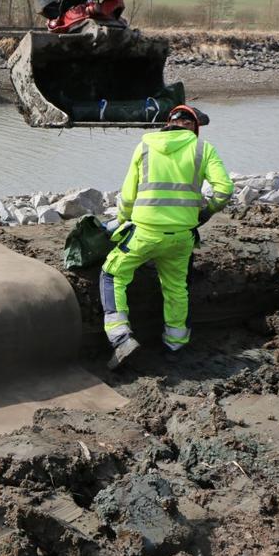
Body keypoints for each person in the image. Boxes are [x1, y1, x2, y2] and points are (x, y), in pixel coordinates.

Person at [100, 105, 233, 370]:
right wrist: (204, 214)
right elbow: (225, 189)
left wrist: (123, 219)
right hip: (181, 237)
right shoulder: (202, 149)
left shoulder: (145, 147)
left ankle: (120, 337)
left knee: (112, 275)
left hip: (145, 233)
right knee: (175, 287)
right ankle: (175, 344)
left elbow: (127, 197)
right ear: (193, 127)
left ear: (168, 123)